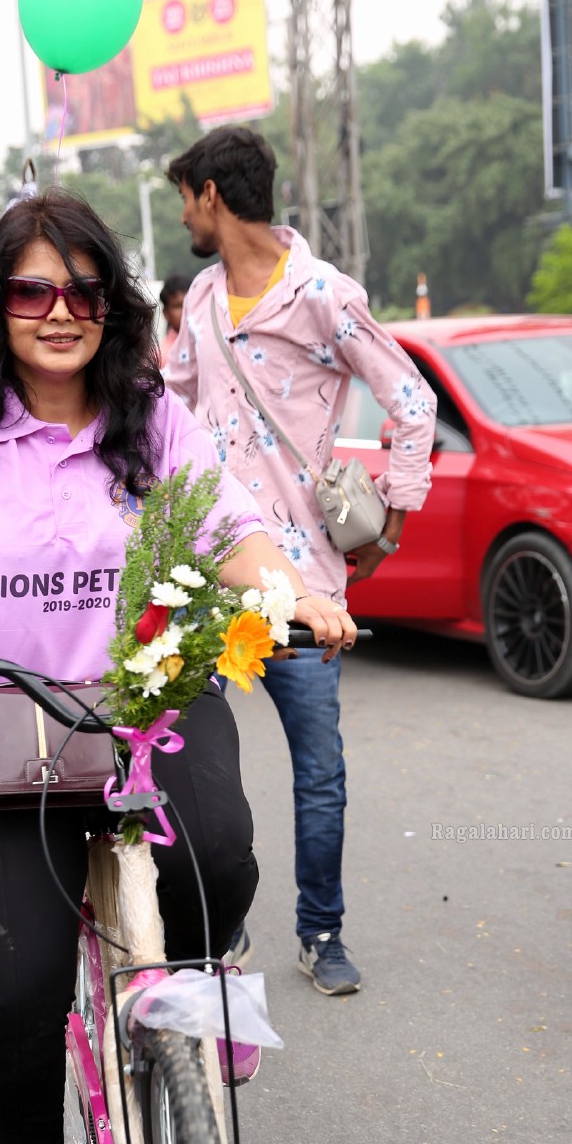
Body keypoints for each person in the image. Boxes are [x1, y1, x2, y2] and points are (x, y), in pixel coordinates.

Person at [0, 191, 356, 1144]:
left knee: (219, 857)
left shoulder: (150, 417)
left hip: (146, 704)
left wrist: (299, 594)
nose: (59, 311)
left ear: (111, 307)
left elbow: (233, 533)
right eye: (32, 289)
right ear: (0, 307)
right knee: (20, 988)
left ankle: (204, 976)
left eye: (82, 290)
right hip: (7, 738)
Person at [163, 127, 436, 996]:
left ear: (211, 193)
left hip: (306, 587)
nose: (183, 217)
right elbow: (165, 410)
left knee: (319, 771)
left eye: (183, 198)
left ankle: (322, 930)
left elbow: (412, 399)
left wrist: (389, 524)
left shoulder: (323, 294)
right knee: (190, 767)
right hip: (204, 580)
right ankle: (221, 927)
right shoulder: (201, 300)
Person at [157, 273, 191, 368]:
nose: (185, 310)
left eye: (189, 303)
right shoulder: (160, 356)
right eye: (177, 306)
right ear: (166, 313)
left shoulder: (208, 345)